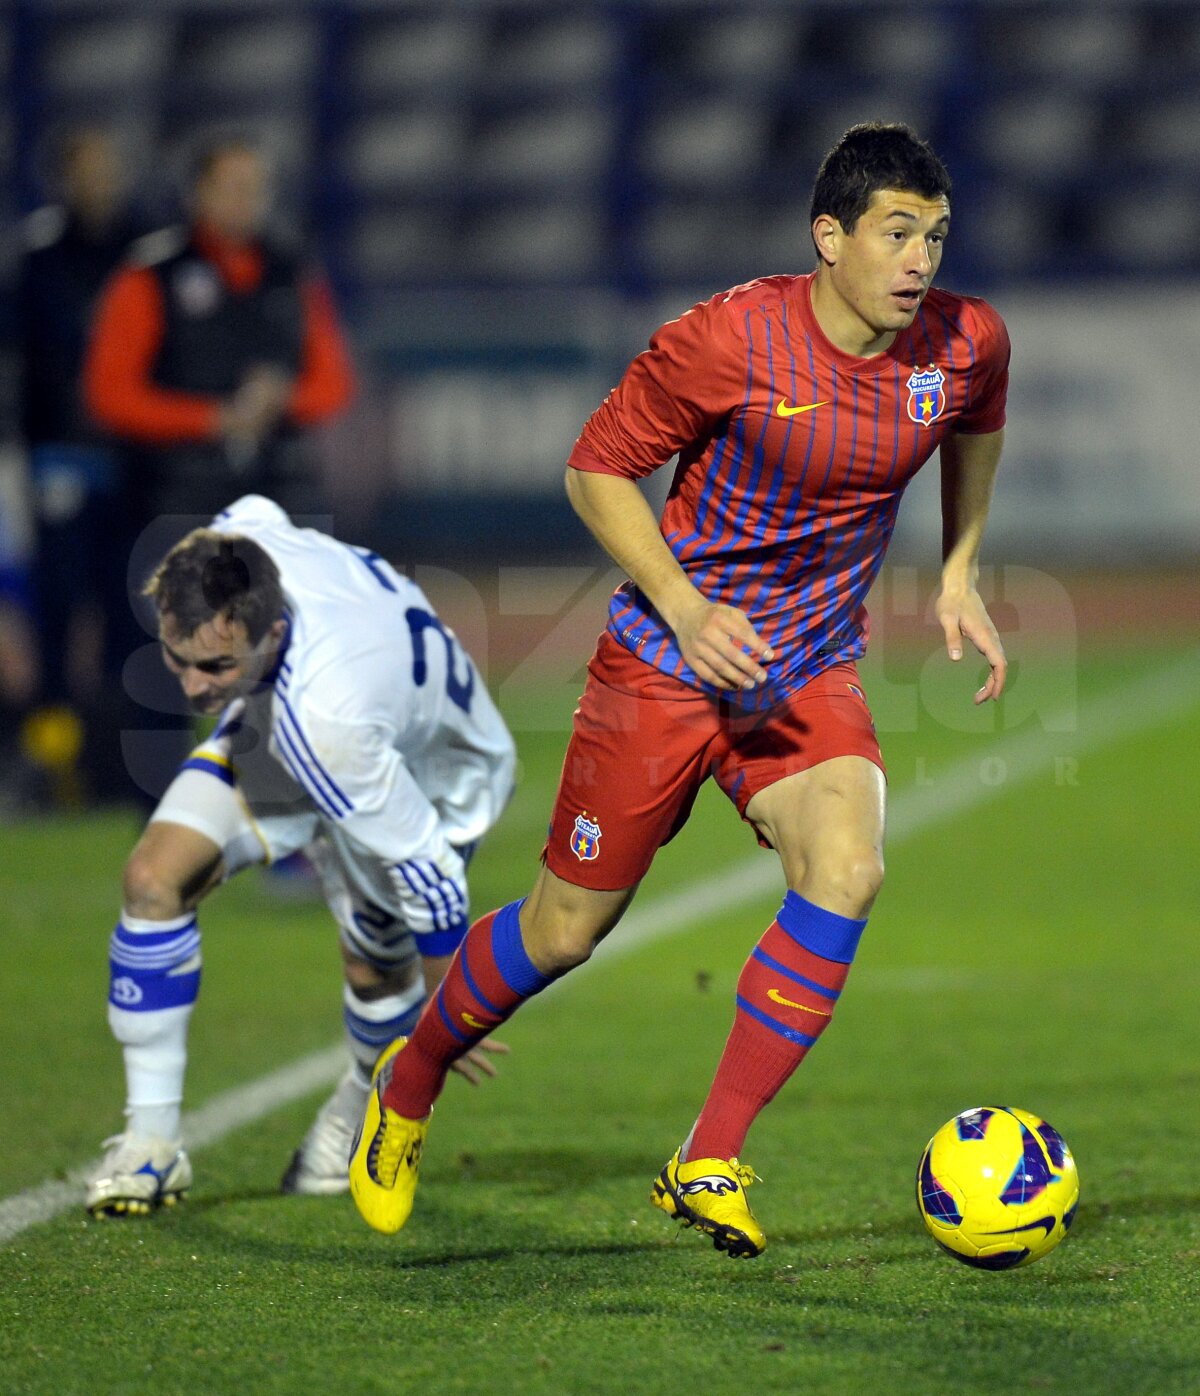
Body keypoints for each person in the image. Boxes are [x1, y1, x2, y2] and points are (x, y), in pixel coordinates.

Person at [347, 122, 1011, 1257]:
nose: (919, 261)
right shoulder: (727, 340)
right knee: (564, 932)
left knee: (847, 867)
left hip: (802, 671)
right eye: (897, 233)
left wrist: (959, 569)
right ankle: (409, 1079)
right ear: (829, 236)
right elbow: (594, 467)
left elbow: (977, 422)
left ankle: (708, 1155)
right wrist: (688, 608)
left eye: (935, 236)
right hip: (662, 668)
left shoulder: (964, 343)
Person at [84, 495, 516, 1216]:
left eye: (214, 664)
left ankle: (355, 1107)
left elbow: (430, 873)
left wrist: (451, 1013)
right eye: (176, 657)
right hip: (286, 720)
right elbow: (253, 507)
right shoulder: (238, 549)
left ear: (273, 631)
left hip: (432, 776)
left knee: (374, 971)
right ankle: (152, 1143)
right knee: (153, 879)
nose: (191, 686)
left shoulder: (330, 721)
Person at [82, 135, 356, 805]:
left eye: (254, 186)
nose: (246, 200)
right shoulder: (153, 274)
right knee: (170, 664)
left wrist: (279, 403)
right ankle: (164, 815)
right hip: (181, 492)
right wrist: (208, 419)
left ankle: (283, 814)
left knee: (293, 656)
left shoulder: (291, 270)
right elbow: (109, 392)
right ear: (198, 193)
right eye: (231, 185)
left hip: (278, 488)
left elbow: (332, 381)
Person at [17, 127, 146, 802]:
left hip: (129, 456)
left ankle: (118, 757)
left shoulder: (145, 250)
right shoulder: (38, 255)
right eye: (86, 170)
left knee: (132, 609)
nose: (100, 183)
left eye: (108, 168)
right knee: (59, 612)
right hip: (61, 454)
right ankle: (50, 755)